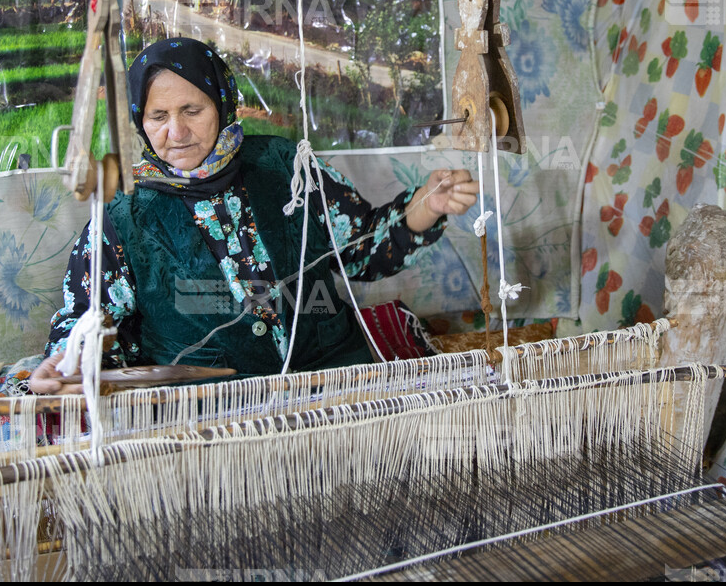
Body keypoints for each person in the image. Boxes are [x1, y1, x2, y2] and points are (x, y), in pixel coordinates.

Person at [30, 38, 479, 394]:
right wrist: (68, 362)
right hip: (210, 409)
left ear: (223, 103)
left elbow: (360, 248)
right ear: (139, 121)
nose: (176, 131)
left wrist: (428, 203)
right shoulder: (124, 213)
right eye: (158, 116)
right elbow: (87, 318)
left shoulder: (286, 165)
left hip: (334, 379)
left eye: (192, 110)